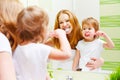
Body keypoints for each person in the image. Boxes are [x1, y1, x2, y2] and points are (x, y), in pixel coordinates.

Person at [13, 6, 71, 80]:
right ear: (41, 30)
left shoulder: (16, 49)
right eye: (46, 26)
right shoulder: (39, 49)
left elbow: (39, 70)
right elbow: (66, 54)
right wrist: (62, 35)